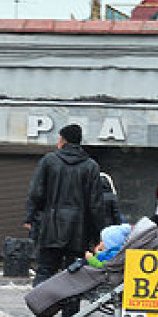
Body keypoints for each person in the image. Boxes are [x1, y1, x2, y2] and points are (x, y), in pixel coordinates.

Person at [25, 123, 103, 288]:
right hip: (78, 232)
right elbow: (96, 203)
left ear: (63, 140)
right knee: (73, 275)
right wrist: (97, 235)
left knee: (45, 271)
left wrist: (30, 217)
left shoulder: (49, 161)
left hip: (50, 228)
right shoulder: (91, 166)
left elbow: (36, 192)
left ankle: (41, 310)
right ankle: (70, 314)